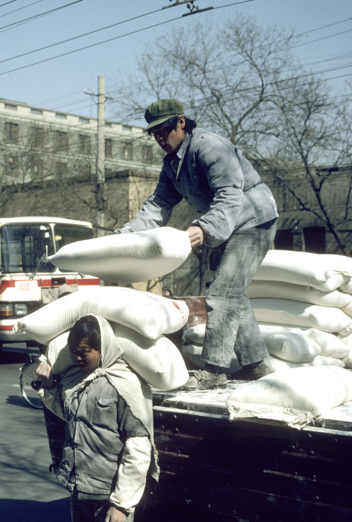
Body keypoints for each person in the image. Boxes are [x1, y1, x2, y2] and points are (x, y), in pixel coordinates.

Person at [115, 98, 278, 389]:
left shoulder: (209, 146)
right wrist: (125, 234)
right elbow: (158, 205)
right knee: (233, 295)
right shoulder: (172, 165)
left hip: (253, 219)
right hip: (230, 224)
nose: (159, 138)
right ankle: (257, 365)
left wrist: (204, 227)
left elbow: (230, 194)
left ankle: (214, 370)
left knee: (222, 293)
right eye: (154, 134)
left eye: (163, 130)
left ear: (180, 121)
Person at [36, 314, 158, 522]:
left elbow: (139, 448)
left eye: (85, 352)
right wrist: (49, 385)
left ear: (103, 348)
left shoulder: (124, 385)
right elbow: (63, 413)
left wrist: (122, 504)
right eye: (74, 352)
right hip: (80, 490)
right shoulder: (74, 379)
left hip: (109, 496)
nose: (78, 358)